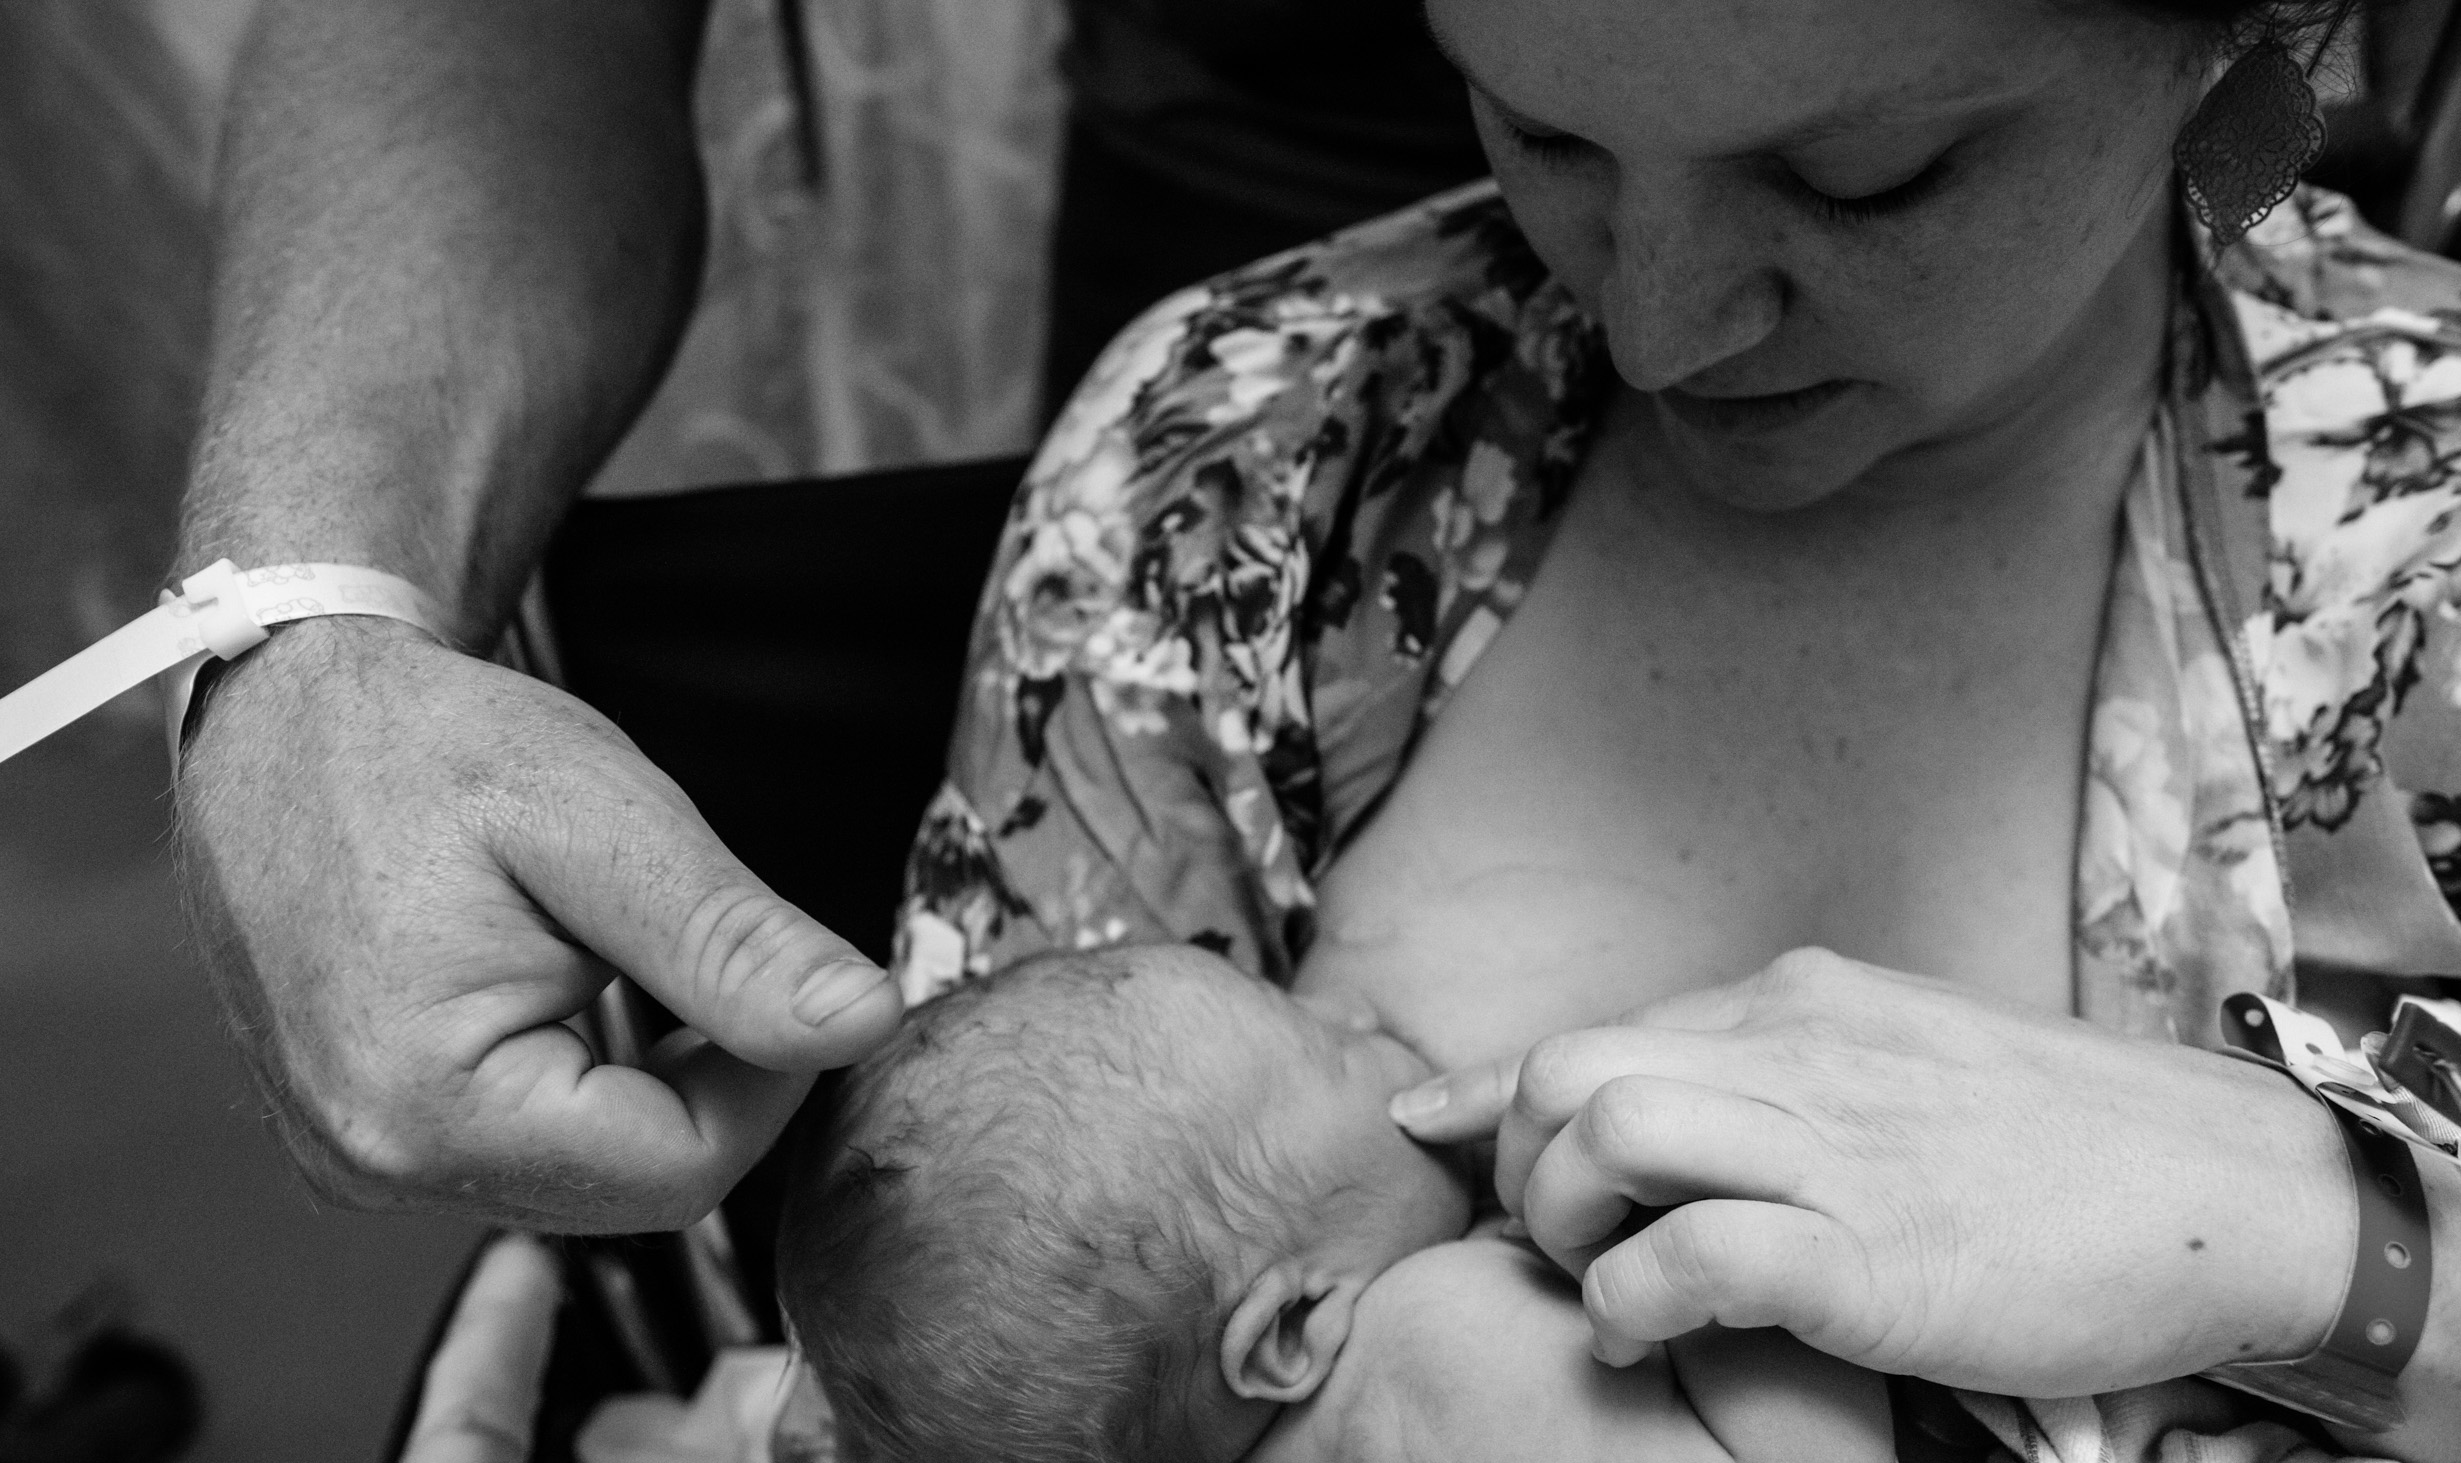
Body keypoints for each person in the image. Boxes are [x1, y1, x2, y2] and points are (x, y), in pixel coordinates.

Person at [769, 0, 2461, 1463]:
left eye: (1862, 176)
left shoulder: (2451, 565)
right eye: (1543, 129)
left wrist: (2301, 1227)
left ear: (2236, 44)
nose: (1658, 323)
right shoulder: (1239, 466)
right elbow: (927, 1428)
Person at [166, 0, 1482, 1233]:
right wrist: (311, 612)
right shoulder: (1192, 453)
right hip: (1275, 102)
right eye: (1561, 144)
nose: (1655, 324)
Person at [776, 944, 1898, 1463]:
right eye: (1324, 1044)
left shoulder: (1321, 1437)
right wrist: (1728, 1173)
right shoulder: (1427, 1346)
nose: (1354, 1008)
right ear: (1291, 1327)